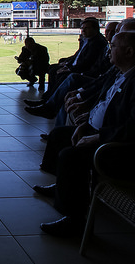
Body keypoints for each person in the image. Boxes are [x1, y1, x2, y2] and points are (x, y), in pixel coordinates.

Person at [33, 29, 135, 237]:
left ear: (129, 52)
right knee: (59, 135)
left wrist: (97, 136)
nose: (109, 50)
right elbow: (103, 98)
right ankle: (62, 186)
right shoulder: (120, 73)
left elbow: (132, 128)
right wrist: (86, 124)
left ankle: (75, 221)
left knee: (70, 156)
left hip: (119, 149)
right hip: (100, 132)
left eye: (113, 46)